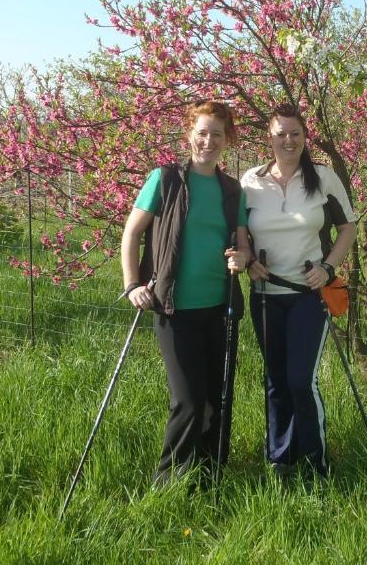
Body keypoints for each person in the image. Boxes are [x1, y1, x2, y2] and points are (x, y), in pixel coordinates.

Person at [119, 101, 248, 486]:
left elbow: (242, 244)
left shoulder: (231, 189)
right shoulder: (166, 179)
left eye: (218, 134)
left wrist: (241, 258)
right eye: (202, 132)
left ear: (229, 140)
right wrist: (132, 285)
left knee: (216, 400)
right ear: (189, 133)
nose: (209, 141)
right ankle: (167, 483)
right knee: (189, 402)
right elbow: (132, 233)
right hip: (174, 309)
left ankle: (210, 476)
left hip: (219, 308)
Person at [240, 104, 357, 479]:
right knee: (275, 379)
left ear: (305, 137)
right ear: (269, 138)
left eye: (295, 134)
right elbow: (239, 229)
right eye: (280, 134)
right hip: (265, 294)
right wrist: (246, 258)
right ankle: (280, 459)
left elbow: (348, 228)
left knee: (300, 379)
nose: (288, 141)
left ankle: (316, 461)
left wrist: (328, 268)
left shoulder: (322, 178)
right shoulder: (250, 181)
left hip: (309, 294)